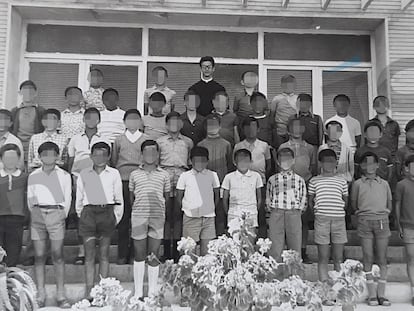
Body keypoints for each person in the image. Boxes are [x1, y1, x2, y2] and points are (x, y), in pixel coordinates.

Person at [76, 142, 123, 300]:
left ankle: (103, 292)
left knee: (104, 254)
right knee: (89, 256)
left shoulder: (114, 174)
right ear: (91, 156)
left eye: (104, 154)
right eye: (96, 154)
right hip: (89, 213)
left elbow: (119, 199)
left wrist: (114, 218)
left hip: (106, 212)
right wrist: (83, 215)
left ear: (109, 156)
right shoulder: (84, 173)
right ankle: (89, 291)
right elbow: (79, 199)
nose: (100, 158)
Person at [27, 142, 72, 308]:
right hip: (38, 214)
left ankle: (61, 293)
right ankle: (40, 292)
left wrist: (61, 215)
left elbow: (68, 198)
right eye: (44, 154)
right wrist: (36, 213)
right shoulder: (34, 175)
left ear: (57, 156)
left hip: (56, 214)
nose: (48, 157)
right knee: (39, 256)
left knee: (57, 254)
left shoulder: (64, 176)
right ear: (39, 157)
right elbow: (30, 199)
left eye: (52, 154)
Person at [68, 108, 110, 265]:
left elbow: (108, 161)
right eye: (88, 118)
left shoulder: (104, 139)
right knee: (83, 216)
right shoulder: (75, 139)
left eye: (95, 118)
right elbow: (70, 161)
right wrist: (71, 179)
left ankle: (98, 252)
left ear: (99, 120)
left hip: (98, 179)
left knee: (99, 216)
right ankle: (82, 251)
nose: (91, 121)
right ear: (84, 119)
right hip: (80, 178)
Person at [129, 140, 170, 298]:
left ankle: (152, 291)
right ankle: (138, 291)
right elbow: (131, 197)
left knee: (153, 254)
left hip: (157, 216)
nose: (150, 155)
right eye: (146, 152)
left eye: (153, 152)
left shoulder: (164, 175)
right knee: (139, 254)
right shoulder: (134, 174)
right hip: (139, 216)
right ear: (141, 154)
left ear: (158, 154)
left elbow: (166, 197)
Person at [351, 151, 392, 307]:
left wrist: (386, 212)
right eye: (365, 163)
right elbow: (354, 202)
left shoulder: (384, 183)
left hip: (382, 221)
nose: (369, 166)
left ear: (377, 165)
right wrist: (358, 213)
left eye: (372, 163)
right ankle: (372, 294)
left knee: (382, 258)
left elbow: (389, 202)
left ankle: (382, 294)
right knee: (367, 257)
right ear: (361, 166)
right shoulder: (357, 184)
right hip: (364, 222)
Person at [112, 109, 149, 264]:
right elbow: (114, 160)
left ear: (140, 122)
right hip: (122, 181)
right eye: (129, 119)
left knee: (139, 218)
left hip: (140, 181)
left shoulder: (146, 139)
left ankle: (136, 253)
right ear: (125, 122)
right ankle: (122, 253)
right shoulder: (119, 140)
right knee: (123, 218)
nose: (133, 122)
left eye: (136, 119)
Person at [308, 149, 348, 290]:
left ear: (336, 163)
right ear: (320, 163)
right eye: (326, 161)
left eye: (332, 161)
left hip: (338, 220)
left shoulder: (342, 181)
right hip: (322, 220)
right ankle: (325, 290)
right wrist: (318, 212)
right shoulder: (314, 181)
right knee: (323, 257)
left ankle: (339, 289)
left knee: (338, 258)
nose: (329, 164)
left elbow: (345, 200)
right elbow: (311, 200)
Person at [279, 117, 317, 263]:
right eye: (293, 127)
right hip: (287, 185)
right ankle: (289, 251)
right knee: (288, 219)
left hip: (305, 184)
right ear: (288, 130)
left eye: (299, 127)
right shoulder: (283, 147)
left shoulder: (310, 148)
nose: (296, 130)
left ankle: (302, 250)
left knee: (303, 219)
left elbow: (312, 167)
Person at [156, 112, 193, 262]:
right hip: (164, 175)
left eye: (177, 122)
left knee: (178, 214)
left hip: (181, 176)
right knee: (165, 214)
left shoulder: (188, 142)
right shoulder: (159, 142)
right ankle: (166, 249)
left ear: (181, 125)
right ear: (166, 125)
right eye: (171, 122)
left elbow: (191, 161)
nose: (174, 125)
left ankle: (177, 249)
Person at [177, 146, 220, 255]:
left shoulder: (213, 175)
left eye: (203, 161)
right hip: (191, 218)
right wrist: (188, 209)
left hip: (208, 219)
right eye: (197, 161)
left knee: (208, 251)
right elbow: (179, 196)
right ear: (191, 161)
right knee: (189, 252)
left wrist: (209, 209)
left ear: (207, 161)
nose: (200, 164)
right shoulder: (185, 176)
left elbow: (216, 195)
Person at [266, 147, 307, 262]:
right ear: (278, 162)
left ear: (293, 160)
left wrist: (297, 212)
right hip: (276, 212)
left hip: (293, 213)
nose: (285, 162)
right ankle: (275, 276)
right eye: (282, 159)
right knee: (275, 246)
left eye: (288, 159)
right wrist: (273, 212)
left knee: (294, 246)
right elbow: (268, 198)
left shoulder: (299, 180)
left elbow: (303, 198)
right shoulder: (272, 180)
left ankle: (294, 276)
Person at [234, 117, 271, 238]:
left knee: (260, 214)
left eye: (254, 127)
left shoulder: (264, 146)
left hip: (260, 184)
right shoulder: (238, 146)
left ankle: (261, 246)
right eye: (247, 127)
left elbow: (269, 164)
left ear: (258, 129)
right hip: (242, 185)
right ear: (243, 130)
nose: (251, 130)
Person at [198, 114, 233, 235]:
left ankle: (220, 243)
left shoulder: (226, 144)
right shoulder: (201, 145)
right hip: (204, 185)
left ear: (219, 126)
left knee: (220, 214)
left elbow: (230, 164)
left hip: (222, 183)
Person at [222, 148, 263, 233]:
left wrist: (254, 210)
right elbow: (225, 198)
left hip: (251, 213)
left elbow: (259, 197)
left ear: (251, 161)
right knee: (235, 242)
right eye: (240, 161)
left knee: (249, 241)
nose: (243, 164)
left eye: (246, 161)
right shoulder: (229, 177)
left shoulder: (256, 176)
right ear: (234, 162)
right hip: (234, 214)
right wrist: (229, 212)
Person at [0, 144, 28, 267]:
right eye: (7, 157)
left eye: (13, 157)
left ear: (18, 159)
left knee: (13, 252)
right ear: (1, 159)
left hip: (17, 218)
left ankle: (10, 283)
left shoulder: (25, 177)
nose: (10, 161)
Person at [11, 80, 45, 166]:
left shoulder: (41, 111)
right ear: (20, 93)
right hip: (18, 146)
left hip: (34, 147)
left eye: (31, 91)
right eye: (25, 91)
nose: (28, 94)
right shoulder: (14, 111)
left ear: (36, 93)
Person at [395, 154, 414, 306]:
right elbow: (397, 205)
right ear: (406, 168)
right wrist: (398, 223)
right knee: (411, 257)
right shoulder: (401, 184)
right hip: (408, 226)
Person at [269, 75, 298, 149]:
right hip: (279, 132)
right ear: (281, 85)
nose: (288, 85)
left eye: (290, 83)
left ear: (294, 85)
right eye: (285, 83)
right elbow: (272, 116)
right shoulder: (276, 98)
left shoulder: (298, 98)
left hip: (294, 132)